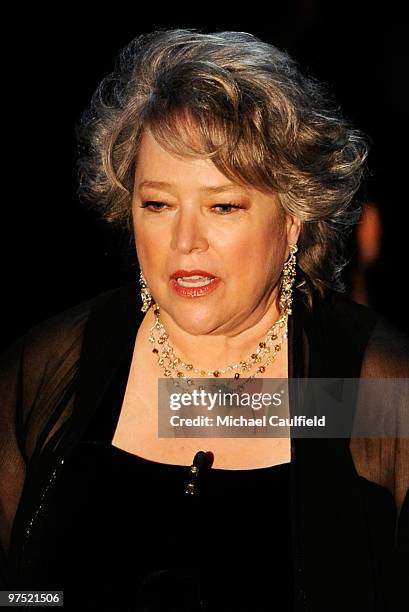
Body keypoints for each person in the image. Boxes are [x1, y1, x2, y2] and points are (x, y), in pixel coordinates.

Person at [0, 28, 408, 611]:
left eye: (223, 206)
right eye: (158, 205)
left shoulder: (373, 388)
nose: (184, 242)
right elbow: (19, 594)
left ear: (293, 218)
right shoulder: (51, 367)